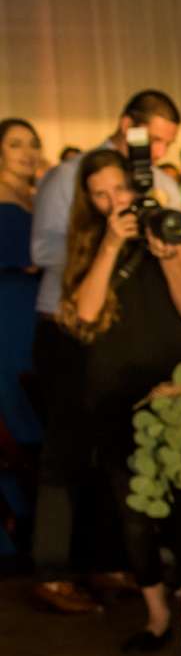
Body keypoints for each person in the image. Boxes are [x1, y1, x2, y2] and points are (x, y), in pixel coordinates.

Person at [28, 90, 181, 615]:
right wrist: (104, 236)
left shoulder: (160, 184)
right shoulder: (69, 176)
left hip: (136, 328)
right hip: (67, 324)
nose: (159, 151)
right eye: (153, 139)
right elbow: (42, 250)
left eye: (167, 143)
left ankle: (115, 563)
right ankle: (52, 570)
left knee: (122, 459)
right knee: (67, 450)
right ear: (127, 127)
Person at [56, 150, 181, 652]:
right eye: (98, 193)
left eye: (118, 190)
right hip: (114, 385)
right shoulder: (86, 240)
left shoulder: (171, 224)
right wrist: (108, 244)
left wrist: (166, 256)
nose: (111, 201)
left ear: (136, 186)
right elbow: (87, 312)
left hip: (170, 382)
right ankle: (156, 615)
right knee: (132, 507)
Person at [2, 119, 45, 462]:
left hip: (39, 304)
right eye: (15, 144)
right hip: (9, 307)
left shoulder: (36, 196)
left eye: (32, 143)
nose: (26, 153)